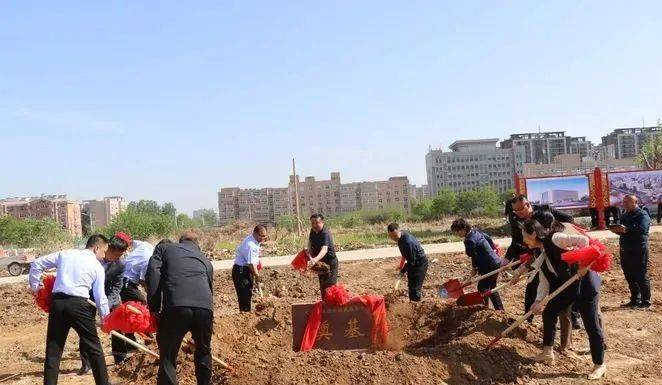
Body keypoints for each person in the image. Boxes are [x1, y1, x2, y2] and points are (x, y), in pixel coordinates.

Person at [28, 234, 123, 385]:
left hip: (57, 303)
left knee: (53, 350)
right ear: (96, 248)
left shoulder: (66, 253)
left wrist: (35, 287)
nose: (104, 256)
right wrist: (106, 320)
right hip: (79, 305)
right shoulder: (96, 266)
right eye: (104, 252)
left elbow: (37, 263)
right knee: (94, 348)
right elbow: (100, 297)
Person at [523, 213, 606, 380]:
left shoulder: (556, 238)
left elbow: (585, 242)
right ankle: (547, 352)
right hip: (569, 286)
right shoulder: (542, 251)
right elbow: (544, 279)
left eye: (525, 236)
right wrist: (538, 301)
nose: (524, 240)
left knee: (591, 324)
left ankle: (600, 364)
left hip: (585, 284)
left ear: (533, 234)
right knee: (549, 312)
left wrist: (583, 264)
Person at [146, 230, 214, 385]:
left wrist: (154, 308)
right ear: (197, 244)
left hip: (176, 307)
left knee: (168, 356)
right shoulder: (204, 259)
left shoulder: (164, 248)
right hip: (205, 308)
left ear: (180, 241)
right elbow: (210, 288)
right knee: (204, 351)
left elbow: (153, 275)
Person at [506, 195, 575, 321]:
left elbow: (569, 219)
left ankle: (573, 317)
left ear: (527, 204)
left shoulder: (544, 212)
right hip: (538, 253)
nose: (518, 213)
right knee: (533, 285)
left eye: (520, 209)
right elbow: (516, 241)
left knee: (562, 286)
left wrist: (557, 237)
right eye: (515, 210)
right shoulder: (515, 219)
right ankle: (528, 319)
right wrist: (510, 262)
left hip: (556, 253)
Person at [79, 233, 129, 373]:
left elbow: (117, 286)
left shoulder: (120, 264)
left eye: (120, 255)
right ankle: (86, 363)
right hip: (89, 296)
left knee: (118, 324)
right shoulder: (92, 259)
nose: (118, 258)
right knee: (86, 328)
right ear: (109, 249)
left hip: (108, 297)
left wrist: (108, 302)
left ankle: (120, 358)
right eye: (116, 254)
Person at [112, 236, 154, 362]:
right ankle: (150, 342)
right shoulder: (149, 260)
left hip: (120, 279)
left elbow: (131, 242)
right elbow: (143, 281)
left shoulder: (146, 245)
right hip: (125, 283)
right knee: (143, 309)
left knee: (126, 313)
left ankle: (129, 347)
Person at [450, 218, 504, 310]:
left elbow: (474, 256)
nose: (456, 234)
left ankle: (484, 309)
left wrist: (474, 269)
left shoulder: (469, 240)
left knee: (483, 288)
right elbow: (488, 239)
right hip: (496, 262)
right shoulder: (476, 232)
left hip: (488, 265)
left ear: (463, 229)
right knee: (491, 287)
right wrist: (493, 250)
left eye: (457, 231)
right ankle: (500, 310)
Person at [610, 194, 652, 309]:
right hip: (625, 249)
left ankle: (646, 302)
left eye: (628, 202)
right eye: (624, 202)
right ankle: (634, 300)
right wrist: (617, 230)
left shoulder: (642, 214)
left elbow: (643, 229)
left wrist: (627, 229)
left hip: (638, 249)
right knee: (629, 275)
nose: (625, 204)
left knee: (641, 275)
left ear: (635, 202)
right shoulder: (624, 215)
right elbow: (623, 231)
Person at [387, 223, 429, 302]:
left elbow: (411, 261)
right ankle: (412, 304)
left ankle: (417, 307)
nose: (393, 238)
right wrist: (401, 266)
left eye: (395, 235)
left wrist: (402, 271)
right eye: (391, 236)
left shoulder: (407, 242)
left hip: (420, 263)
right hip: (412, 262)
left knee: (415, 288)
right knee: (411, 287)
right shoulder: (400, 238)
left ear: (399, 231)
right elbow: (404, 255)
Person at [232, 225, 267, 312]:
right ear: (255, 234)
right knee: (244, 296)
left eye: (265, 236)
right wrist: (257, 275)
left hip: (247, 270)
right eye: (261, 236)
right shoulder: (250, 245)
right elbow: (251, 263)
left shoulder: (255, 241)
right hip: (241, 272)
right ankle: (245, 317)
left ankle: (247, 314)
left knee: (248, 294)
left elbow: (254, 261)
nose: (263, 238)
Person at [307, 214, 338, 299]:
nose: (314, 225)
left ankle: (333, 309)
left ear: (323, 222)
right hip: (321, 264)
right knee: (323, 288)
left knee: (330, 288)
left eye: (317, 223)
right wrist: (308, 253)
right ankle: (325, 308)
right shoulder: (312, 231)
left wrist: (315, 259)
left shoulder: (325, 233)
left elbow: (324, 249)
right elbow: (310, 244)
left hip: (330, 263)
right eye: (312, 223)